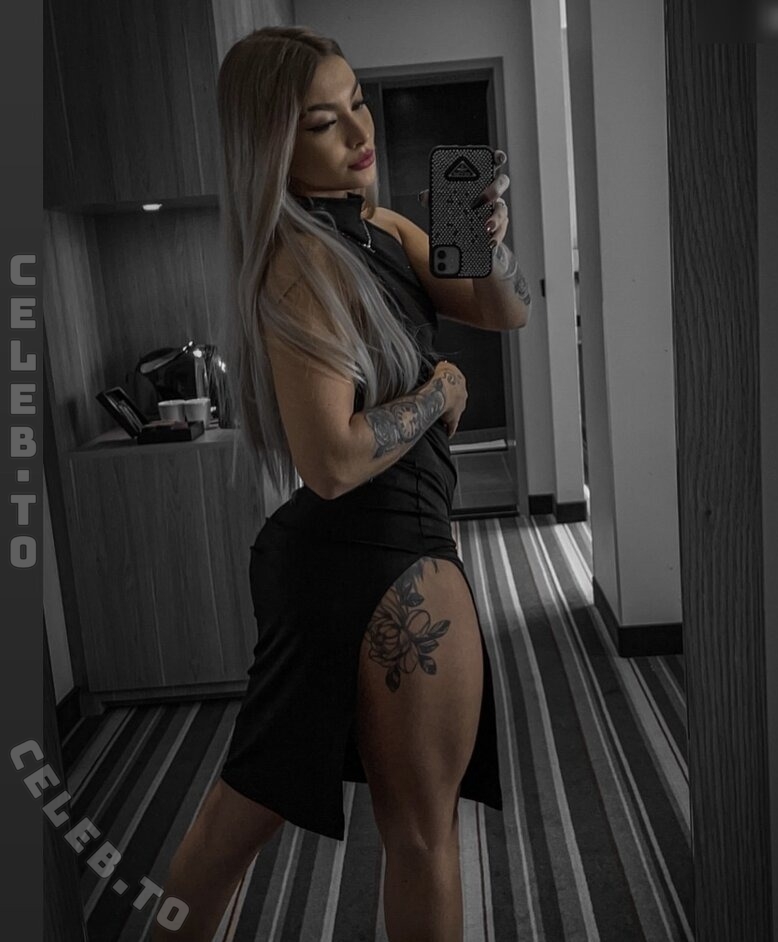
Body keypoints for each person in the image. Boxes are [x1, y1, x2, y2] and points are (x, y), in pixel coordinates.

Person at [151, 25, 530, 942]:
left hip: (346, 555)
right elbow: (330, 462)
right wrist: (438, 392)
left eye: (357, 103)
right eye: (325, 122)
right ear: (275, 147)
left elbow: (505, 312)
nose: (360, 132)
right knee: (418, 836)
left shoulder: (383, 228)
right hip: (377, 550)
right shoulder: (300, 265)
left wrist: (486, 244)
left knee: (243, 810)